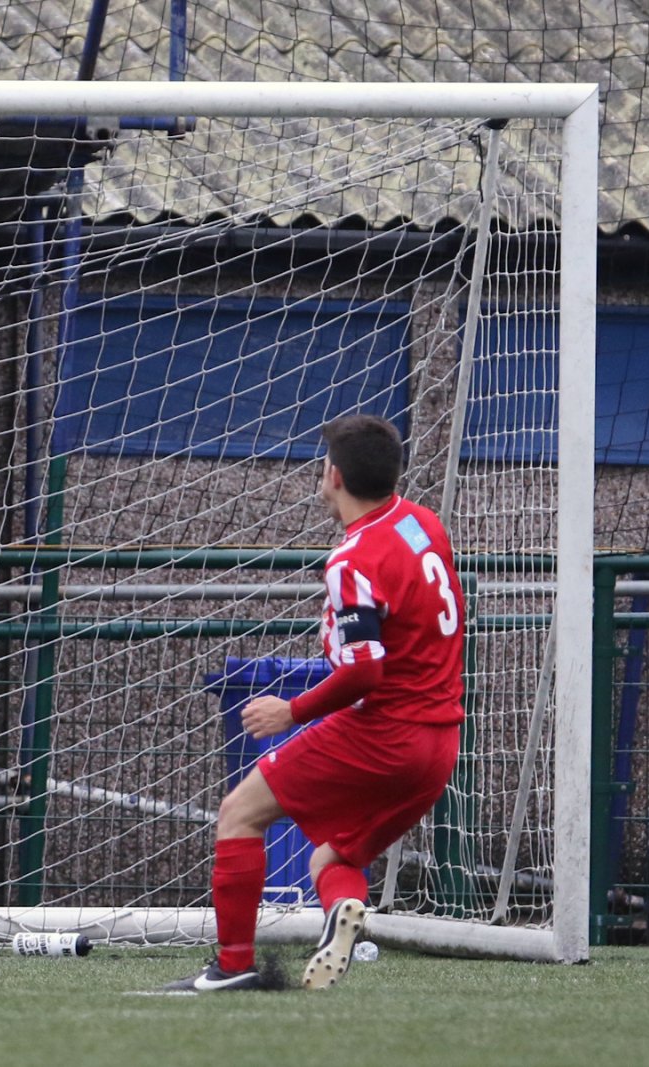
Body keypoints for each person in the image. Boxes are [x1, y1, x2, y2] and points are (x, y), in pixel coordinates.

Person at [167, 414, 465, 992]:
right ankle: (341, 914)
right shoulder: (422, 524)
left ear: (333, 476)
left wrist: (292, 710)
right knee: (328, 860)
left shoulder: (353, 558)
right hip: (439, 746)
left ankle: (231, 968)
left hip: (385, 732)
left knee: (238, 814)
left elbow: (365, 670)